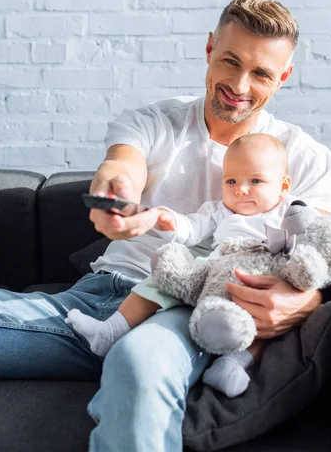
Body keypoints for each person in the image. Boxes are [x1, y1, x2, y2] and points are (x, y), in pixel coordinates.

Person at [0, 0, 331, 452]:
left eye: (260, 73)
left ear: (284, 76)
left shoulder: (307, 158)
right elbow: (121, 168)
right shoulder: (154, 122)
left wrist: (307, 298)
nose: (239, 84)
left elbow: (316, 250)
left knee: (137, 363)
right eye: (229, 61)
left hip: (191, 309)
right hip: (100, 296)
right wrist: (112, 199)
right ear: (208, 50)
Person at [66, 132, 312, 398]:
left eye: (255, 180)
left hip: (260, 276)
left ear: (283, 185)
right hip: (215, 269)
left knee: (259, 319)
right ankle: (110, 331)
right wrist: (165, 219)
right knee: (162, 278)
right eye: (231, 180)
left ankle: (233, 365)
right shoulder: (220, 210)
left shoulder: (289, 210)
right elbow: (192, 228)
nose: (241, 189)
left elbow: (310, 237)